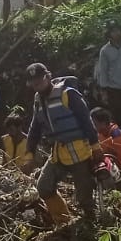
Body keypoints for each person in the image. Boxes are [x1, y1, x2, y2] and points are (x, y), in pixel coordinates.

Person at [25, 63, 98, 226]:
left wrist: (96, 148)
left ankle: (91, 224)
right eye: (33, 83)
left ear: (48, 76)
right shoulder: (38, 100)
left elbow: (87, 122)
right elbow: (34, 128)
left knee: (85, 196)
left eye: (40, 81)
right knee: (44, 186)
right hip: (58, 152)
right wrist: (29, 154)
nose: (37, 85)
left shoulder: (68, 94)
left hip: (79, 151)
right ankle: (63, 221)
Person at [91, 108, 121, 179]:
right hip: (116, 169)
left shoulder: (116, 135)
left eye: (95, 124)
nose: (93, 127)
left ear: (103, 123)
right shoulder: (100, 134)